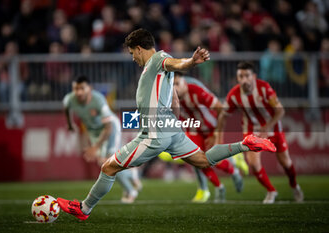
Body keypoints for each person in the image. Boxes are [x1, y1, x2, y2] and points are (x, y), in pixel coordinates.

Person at [57, 28, 276, 220]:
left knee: (108, 167)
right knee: (203, 160)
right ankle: (246, 144)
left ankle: (84, 209)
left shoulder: (157, 60)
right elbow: (174, 99)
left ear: (140, 48)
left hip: (155, 134)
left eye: (132, 53)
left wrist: (190, 62)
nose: (133, 58)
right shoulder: (161, 72)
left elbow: (175, 63)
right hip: (171, 130)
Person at [215, 61, 304, 204]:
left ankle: (294, 186)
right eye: (240, 76)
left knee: (286, 162)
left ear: (253, 76)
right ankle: (271, 191)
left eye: (247, 75)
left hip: (273, 128)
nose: (244, 79)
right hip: (252, 131)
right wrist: (219, 140)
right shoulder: (234, 95)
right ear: (237, 78)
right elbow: (223, 116)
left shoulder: (264, 88)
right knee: (253, 163)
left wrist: (267, 127)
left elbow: (280, 110)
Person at [63, 75, 142, 203]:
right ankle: (131, 174)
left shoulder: (98, 100)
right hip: (94, 132)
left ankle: (130, 191)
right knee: (105, 164)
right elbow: (67, 108)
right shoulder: (70, 99)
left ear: (89, 89)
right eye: (76, 89)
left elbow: (109, 127)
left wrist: (95, 147)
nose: (78, 92)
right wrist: (70, 124)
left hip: (110, 129)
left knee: (110, 162)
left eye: (82, 88)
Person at [173, 72, 245, 203]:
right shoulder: (168, 97)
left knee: (215, 160)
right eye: (172, 85)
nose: (175, 88)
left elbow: (220, 109)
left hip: (211, 129)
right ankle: (219, 187)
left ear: (184, 83)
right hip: (194, 131)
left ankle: (233, 170)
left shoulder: (196, 91)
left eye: (177, 84)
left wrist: (217, 135)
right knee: (196, 160)